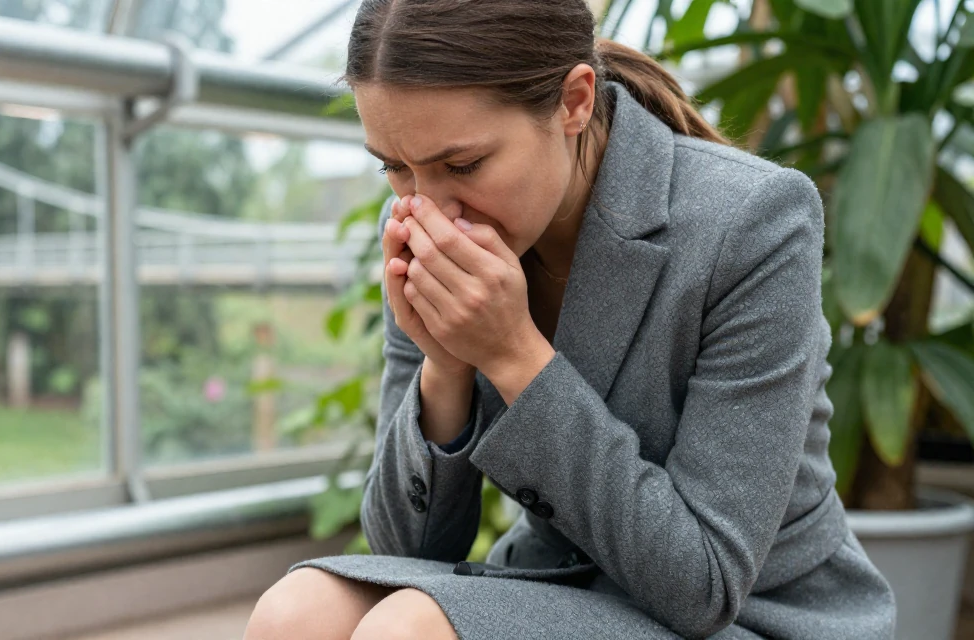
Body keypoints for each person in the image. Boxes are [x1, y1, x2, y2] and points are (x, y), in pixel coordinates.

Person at [243, 0, 896, 638]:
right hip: (561, 585)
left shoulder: (754, 222)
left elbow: (703, 586)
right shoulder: (425, 226)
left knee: (408, 631)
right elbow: (403, 551)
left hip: (750, 611)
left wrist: (513, 354)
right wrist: (446, 365)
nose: (429, 209)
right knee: (294, 614)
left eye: (462, 165)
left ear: (575, 102)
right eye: (394, 167)